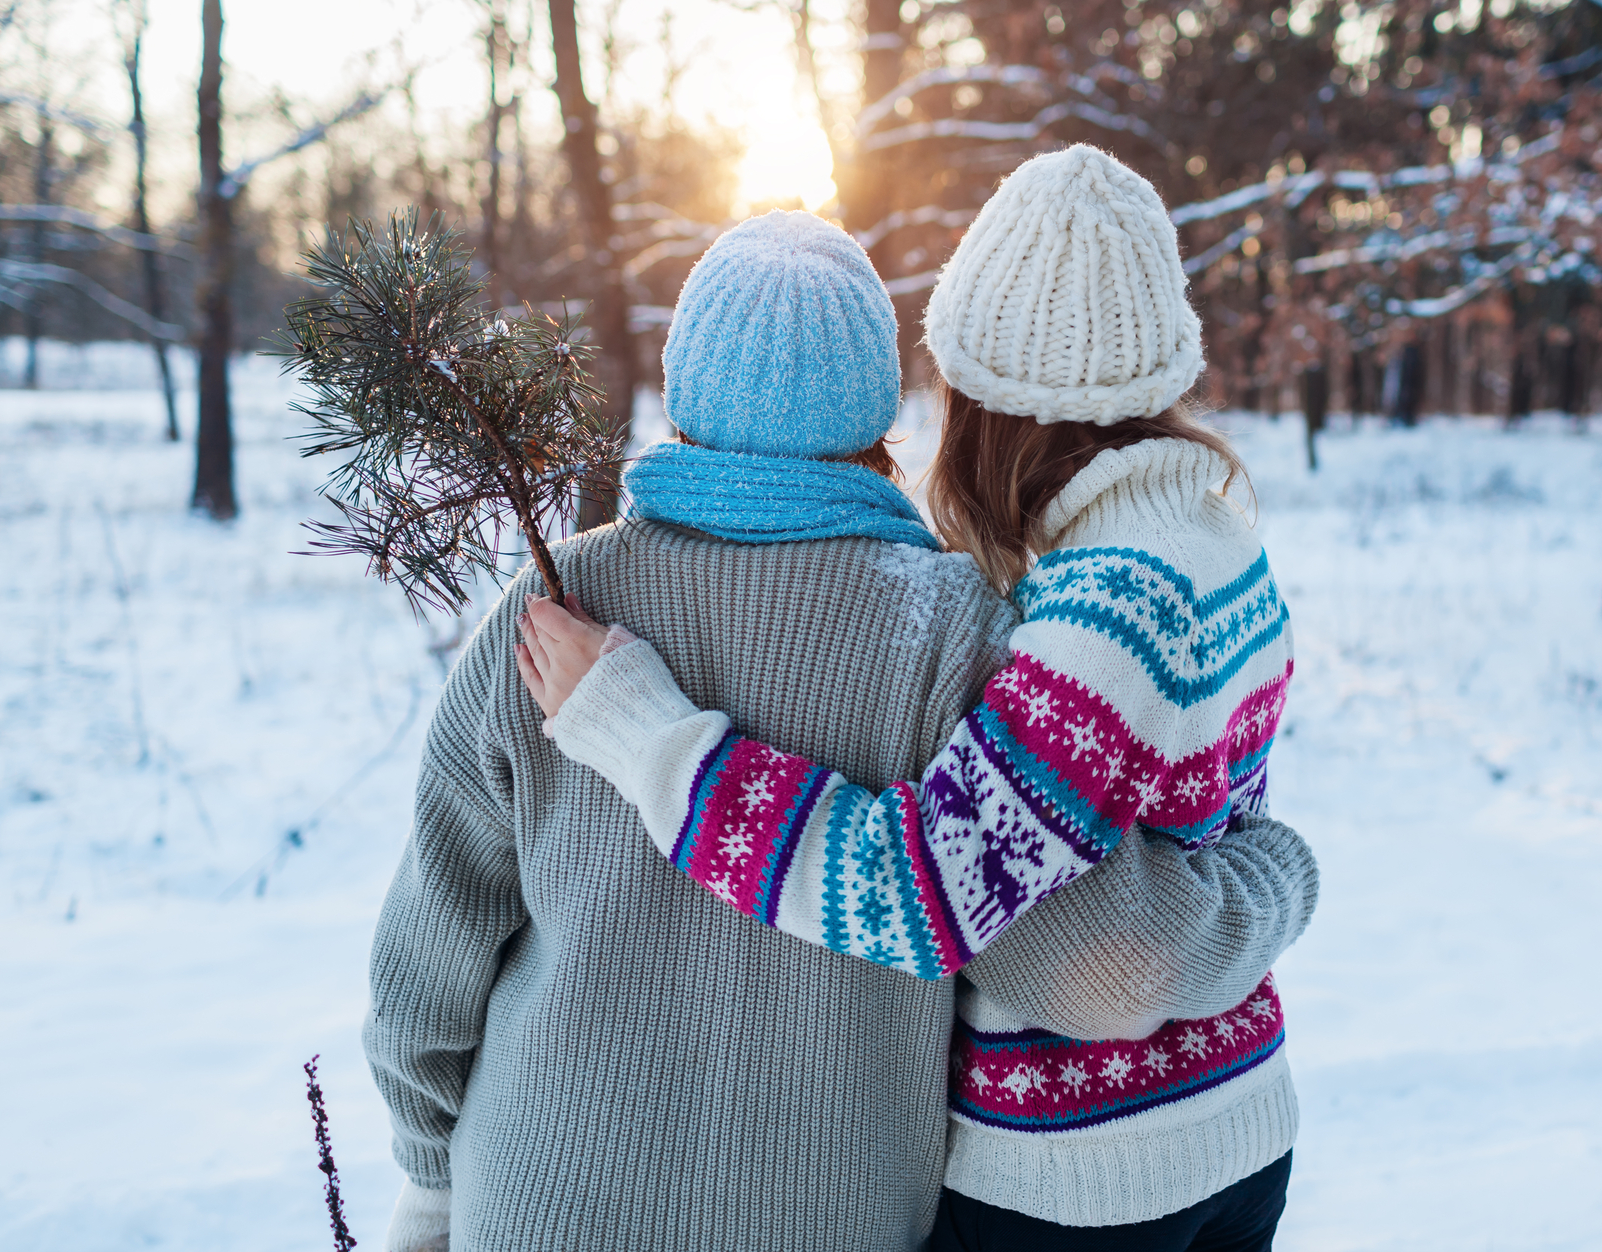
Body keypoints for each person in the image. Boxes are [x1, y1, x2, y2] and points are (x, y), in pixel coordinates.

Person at [370, 207, 1321, 1252]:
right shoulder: (953, 630)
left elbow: (430, 951)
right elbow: (1074, 958)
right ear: (882, 414)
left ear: (684, 389)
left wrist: (428, 1181)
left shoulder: (558, 609)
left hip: (540, 1204)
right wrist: (1270, 875)